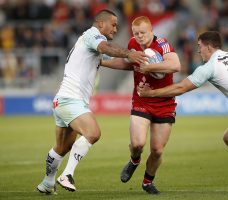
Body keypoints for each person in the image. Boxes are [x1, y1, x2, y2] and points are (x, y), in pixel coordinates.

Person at [58, 16, 181, 194]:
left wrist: (148, 67)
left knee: (157, 150)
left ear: (151, 31)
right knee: (138, 144)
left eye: (143, 33)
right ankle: (134, 160)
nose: (139, 36)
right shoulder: (132, 44)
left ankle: (147, 182)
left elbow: (175, 65)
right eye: (136, 33)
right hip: (141, 100)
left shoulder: (162, 44)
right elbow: (127, 64)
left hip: (164, 103)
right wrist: (102, 62)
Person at [137, 31, 228, 190]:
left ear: (208, 46)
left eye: (199, 46)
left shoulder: (210, 66)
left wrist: (149, 93)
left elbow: (181, 87)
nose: (198, 51)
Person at [36, 9, 147, 195]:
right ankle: (67, 175)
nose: (116, 28)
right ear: (101, 24)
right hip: (71, 99)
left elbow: (114, 60)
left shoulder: (91, 45)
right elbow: (106, 49)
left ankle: (47, 183)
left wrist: (145, 64)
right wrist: (129, 53)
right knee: (93, 133)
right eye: (113, 24)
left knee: (62, 147)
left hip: (63, 100)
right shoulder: (92, 35)